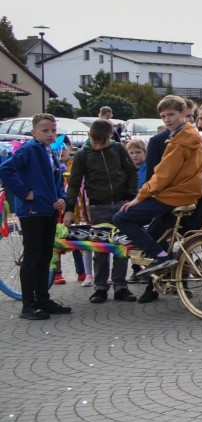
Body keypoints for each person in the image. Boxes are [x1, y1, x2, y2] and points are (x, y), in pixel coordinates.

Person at [114, 96, 202, 286]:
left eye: (171, 115)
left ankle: (162, 258)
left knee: (121, 218)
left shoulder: (180, 141)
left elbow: (163, 175)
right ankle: (166, 269)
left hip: (174, 195)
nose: (167, 120)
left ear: (182, 113)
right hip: (189, 193)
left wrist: (139, 197)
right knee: (155, 232)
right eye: (163, 116)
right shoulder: (192, 135)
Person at [0, 114, 69, 319]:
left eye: (53, 130)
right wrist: (24, 192)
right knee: (32, 257)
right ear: (34, 132)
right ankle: (28, 305)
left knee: (45, 256)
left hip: (49, 210)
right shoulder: (29, 150)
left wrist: (62, 198)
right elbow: (5, 169)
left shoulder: (50, 151)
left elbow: (56, 180)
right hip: (32, 211)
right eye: (45, 130)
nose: (50, 134)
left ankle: (43, 300)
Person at [65, 119, 138, 303]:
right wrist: (69, 209)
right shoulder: (82, 155)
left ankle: (121, 286)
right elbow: (74, 184)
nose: (97, 146)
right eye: (94, 141)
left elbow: (132, 173)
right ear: (89, 136)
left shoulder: (118, 149)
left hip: (121, 204)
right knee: (100, 249)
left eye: (102, 142)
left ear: (109, 137)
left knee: (120, 247)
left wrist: (129, 197)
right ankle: (100, 287)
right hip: (98, 207)